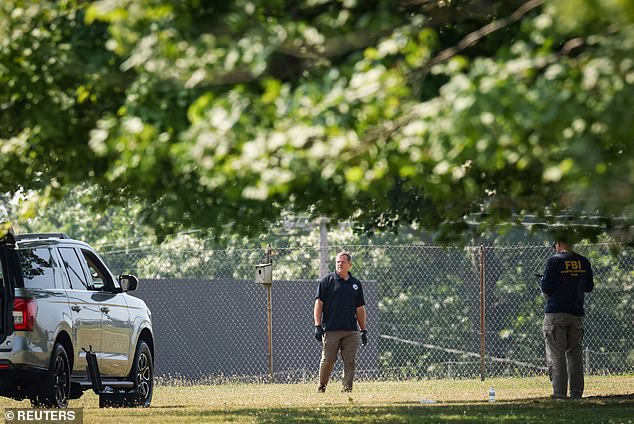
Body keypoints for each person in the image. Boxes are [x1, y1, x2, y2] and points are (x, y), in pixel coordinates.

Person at [540, 237, 594, 400]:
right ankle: (576, 393)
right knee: (575, 355)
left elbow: (546, 287)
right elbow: (589, 287)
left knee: (557, 355)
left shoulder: (554, 261)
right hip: (576, 313)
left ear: (558, 243)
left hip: (556, 313)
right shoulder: (583, 261)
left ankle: (560, 394)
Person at [314, 251, 367, 393]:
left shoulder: (355, 284)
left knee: (350, 361)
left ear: (349, 264)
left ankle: (347, 389)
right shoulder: (327, 281)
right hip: (331, 329)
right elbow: (319, 303)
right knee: (328, 360)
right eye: (337, 261)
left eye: (343, 262)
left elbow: (360, 308)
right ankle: (322, 385)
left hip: (351, 330)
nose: (339, 264)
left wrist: (363, 330)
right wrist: (318, 325)